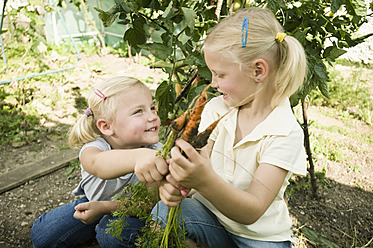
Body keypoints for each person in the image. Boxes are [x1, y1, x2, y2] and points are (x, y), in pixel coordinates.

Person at [151, 7, 308, 248]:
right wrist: (177, 183)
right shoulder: (217, 108)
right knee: (164, 214)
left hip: (259, 238)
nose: (213, 82)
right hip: (211, 221)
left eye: (220, 74)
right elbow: (197, 163)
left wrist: (204, 181)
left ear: (258, 71)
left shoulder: (285, 131)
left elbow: (253, 210)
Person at [31, 76, 168, 248]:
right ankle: (95, 226)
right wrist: (139, 156)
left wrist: (103, 208)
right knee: (42, 234)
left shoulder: (157, 153)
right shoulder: (95, 149)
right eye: (138, 111)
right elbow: (98, 164)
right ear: (106, 126)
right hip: (92, 203)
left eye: (152, 108)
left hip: (131, 212)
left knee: (110, 234)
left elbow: (146, 204)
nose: (153, 116)